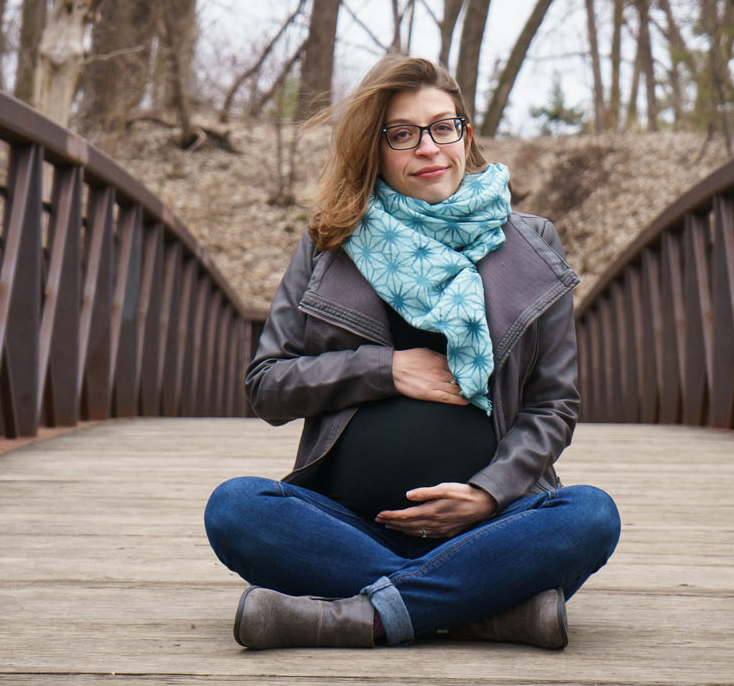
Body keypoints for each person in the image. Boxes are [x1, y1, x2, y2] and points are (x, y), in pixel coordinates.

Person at [203, 55, 619, 649]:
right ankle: (475, 610)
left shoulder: (530, 243)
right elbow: (268, 386)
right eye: (402, 134)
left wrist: (487, 493)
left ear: (465, 136)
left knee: (590, 515)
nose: (428, 147)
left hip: (491, 525)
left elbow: (553, 404)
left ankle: (362, 613)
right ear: (375, 149)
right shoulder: (330, 244)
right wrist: (385, 369)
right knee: (236, 507)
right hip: (347, 527)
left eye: (443, 126)